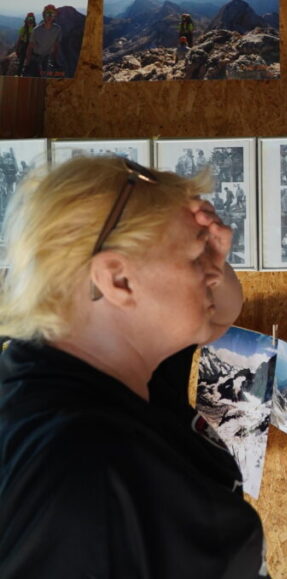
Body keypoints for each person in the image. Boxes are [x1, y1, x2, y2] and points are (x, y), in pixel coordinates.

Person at [0, 156, 266, 576]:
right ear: (119, 280)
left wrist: (205, 250)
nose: (213, 273)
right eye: (196, 258)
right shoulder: (85, 472)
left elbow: (216, 316)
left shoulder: (87, 356)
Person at [22, 4, 62, 78]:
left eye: (52, 14)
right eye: (48, 13)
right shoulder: (36, 30)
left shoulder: (58, 30)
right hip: (35, 57)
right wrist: (27, 63)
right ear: (44, 15)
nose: (50, 16)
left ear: (55, 16)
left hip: (47, 58)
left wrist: (55, 60)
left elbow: (56, 45)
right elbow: (30, 47)